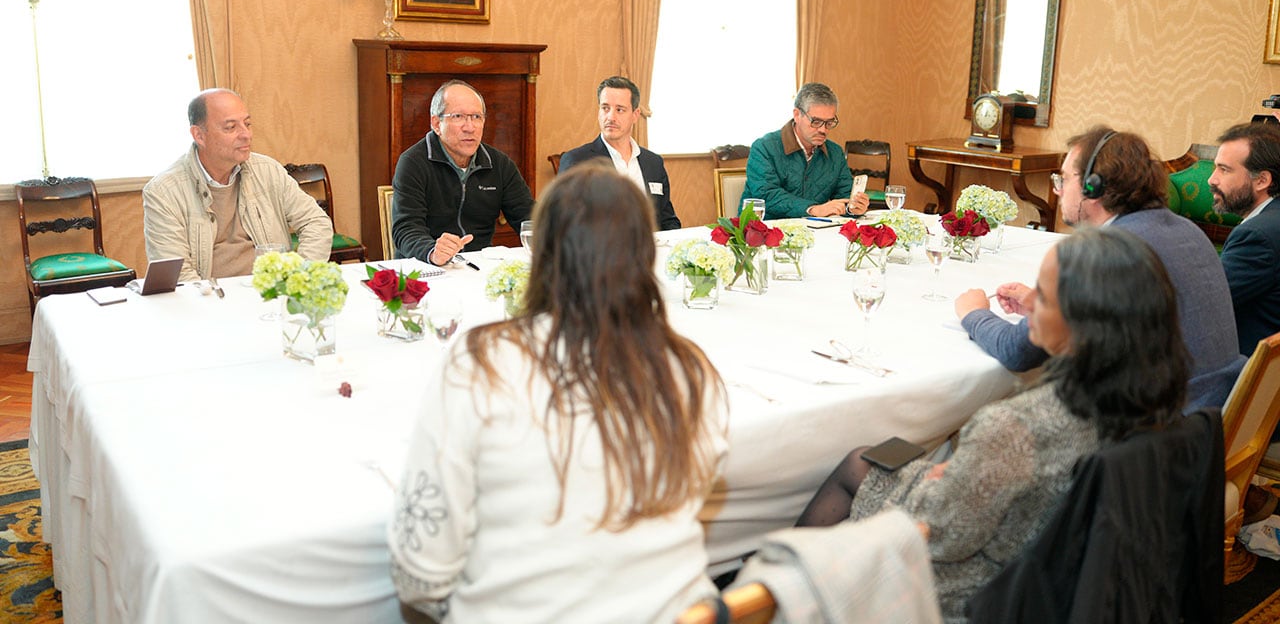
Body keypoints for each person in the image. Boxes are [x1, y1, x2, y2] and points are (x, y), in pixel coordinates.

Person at [388, 161, 729, 623]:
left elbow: (421, 575)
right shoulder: (691, 370)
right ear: (646, 254)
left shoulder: (483, 362)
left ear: (542, 254)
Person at [796, 227, 1189, 623]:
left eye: (1045, 297)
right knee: (882, 456)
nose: (1032, 305)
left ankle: (778, 592)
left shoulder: (1015, 426)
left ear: (1083, 322)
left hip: (976, 594)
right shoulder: (1153, 398)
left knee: (859, 462)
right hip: (1068, 580)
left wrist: (940, 479)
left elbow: (939, 534)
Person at [954, 126, 1242, 407]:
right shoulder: (1187, 230)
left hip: (1162, 434)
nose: (1057, 190)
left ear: (1093, 187)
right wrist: (1048, 306)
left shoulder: (1106, 253)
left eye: (1064, 179)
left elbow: (1016, 351)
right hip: (1216, 417)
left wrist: (975, 313)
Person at [142, 88, 333, 283]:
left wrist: (296, 277)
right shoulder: (163, 192)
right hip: (212, 300)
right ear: (199, 135)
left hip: (271, 295)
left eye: (247, 124)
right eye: (231, 127)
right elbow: (178, 273)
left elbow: (316, 222)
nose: (246, 135)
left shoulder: (268, 170)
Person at [391, 79, 534, 266]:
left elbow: (529, 217)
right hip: (425, 267)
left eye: (476, 117)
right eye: (458, 116)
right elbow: (406, 228)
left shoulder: (499, 164)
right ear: (436, 123)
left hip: (479, 267)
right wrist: (432, 251)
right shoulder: (413, 163)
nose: (470, 127)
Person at [557, 76, 681, 230]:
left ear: (635, 115)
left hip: (652, 251)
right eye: (605, 108)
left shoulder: (653, 163)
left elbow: (667, 220)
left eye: (619, 110)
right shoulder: (577, 161)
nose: (610, 117)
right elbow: (564, 224)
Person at [741, 82, 870, 219]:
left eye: (829, 123)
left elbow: (845, 195)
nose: (823, 130)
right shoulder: (764, 148)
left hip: (814, 233)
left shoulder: (835, 153)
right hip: (764, 231)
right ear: (797, 115)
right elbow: (766, 195)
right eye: (816, 121)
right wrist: (813, 209)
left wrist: (853, 207)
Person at [1210, 122, 1280, 356]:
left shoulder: (1257, 237)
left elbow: (1205, 302)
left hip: (1245, 372)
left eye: (1224, 170)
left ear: (1262, 180)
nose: (1212, 180)